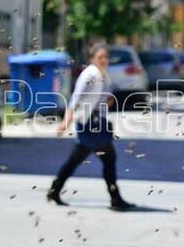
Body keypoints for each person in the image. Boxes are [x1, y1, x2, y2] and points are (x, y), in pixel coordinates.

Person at [47, 42, 135, 211]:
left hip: (95, 123)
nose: (104, 60)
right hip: (89, 124)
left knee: (76, 159)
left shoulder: (103, 75)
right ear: (92, 58)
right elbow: (75, 100)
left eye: (106, 57)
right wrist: (66, 122)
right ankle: (115, 199)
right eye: (100, 57)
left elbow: (101, 98)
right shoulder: (90, 75)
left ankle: (55, 189)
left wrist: (107, 101)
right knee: (108, 158)